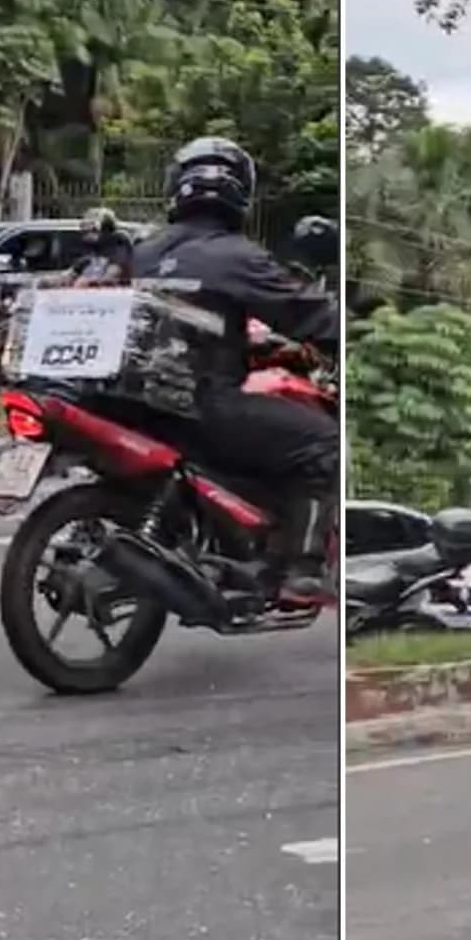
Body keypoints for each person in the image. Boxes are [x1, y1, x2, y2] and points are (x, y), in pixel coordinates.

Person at [129, 136, 340, 604]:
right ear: (239, 192)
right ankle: (302, 571)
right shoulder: (237, 255)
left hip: (138, 401)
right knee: (324, 443)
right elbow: (308, 314)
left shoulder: (143, 251)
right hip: (201, 403)